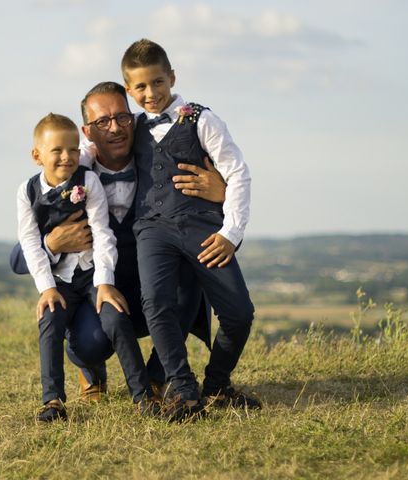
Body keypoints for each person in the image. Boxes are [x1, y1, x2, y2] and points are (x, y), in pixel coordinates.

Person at [11, 83, 228, 411]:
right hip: (94, 296)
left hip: (149, 293)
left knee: (189, 275)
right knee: (91, 342)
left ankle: (158, 375)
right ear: (88, 131)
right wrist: (51, 243)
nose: (115, 128)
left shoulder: (161, 163)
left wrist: (222, 191)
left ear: (134, 119)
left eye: (122, 117)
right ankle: (87, 365)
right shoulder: (72, 175)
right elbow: (17, 259)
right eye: (102, 122)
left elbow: (204, 211)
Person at [121, 38, 261, 420]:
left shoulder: (202, 119)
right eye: (140, 87)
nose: (151, 93)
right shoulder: (131, 128)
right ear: (130, 90)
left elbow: (238, 174)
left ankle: (217, 385)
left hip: (204, 229)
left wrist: (231, 232)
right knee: (157, 302)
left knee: (238, 314)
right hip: (152, 229)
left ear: (172, 77)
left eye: (157, 83)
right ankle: (182, 390)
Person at [17, 113, 159, 422]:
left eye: (71, 149)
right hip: (59, 280)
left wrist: (105, 282)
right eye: (57, 150)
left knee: (116, 317)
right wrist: (47, 289)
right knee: (50, 319)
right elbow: (29, 243)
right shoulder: (27, 192)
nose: (66, 157)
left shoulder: (88, 180)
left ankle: (144, 395)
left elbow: (103, 232)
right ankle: (52, 400)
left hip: (93, 272)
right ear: (37, 155)